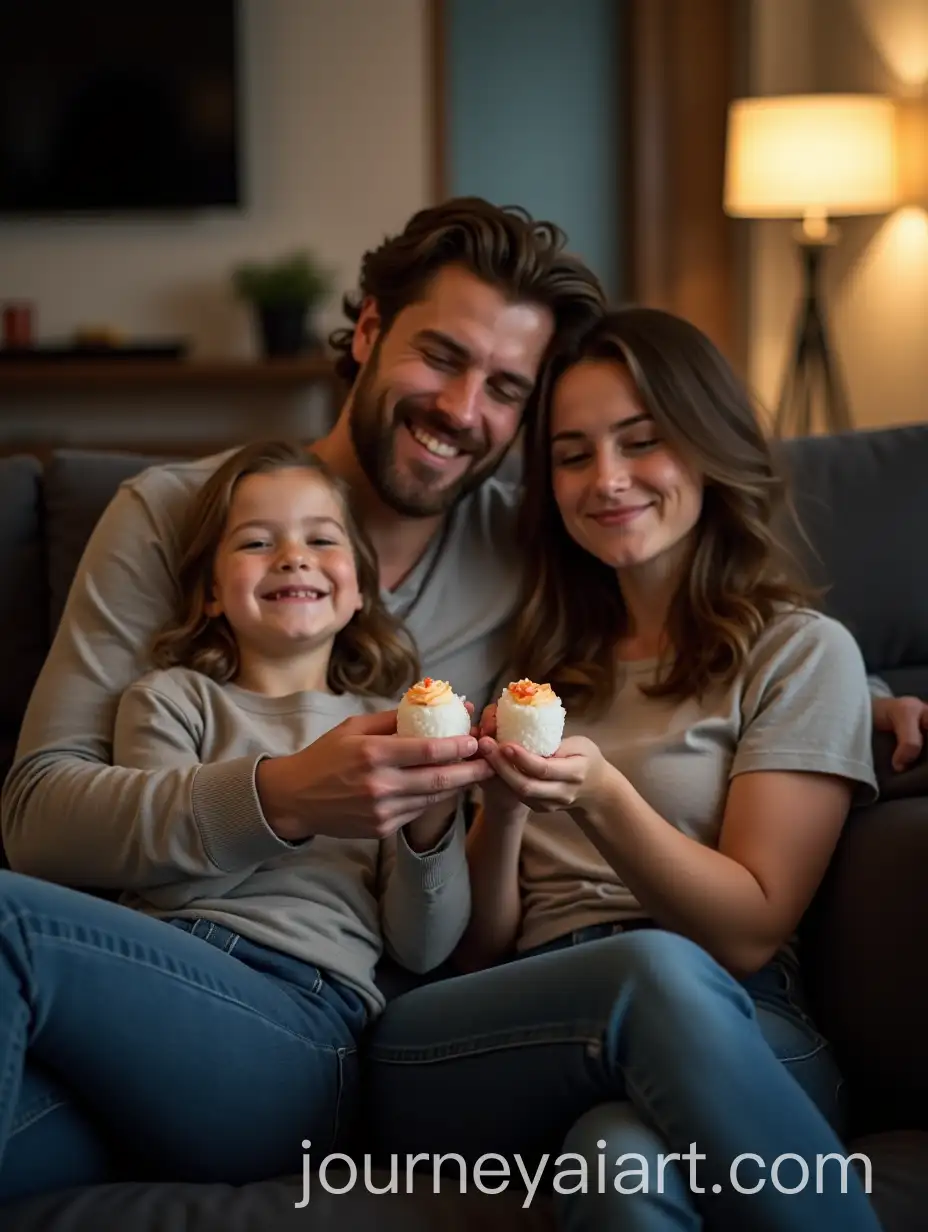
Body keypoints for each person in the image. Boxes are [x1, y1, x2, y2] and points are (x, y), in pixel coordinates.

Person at [363, 307, 883, 1231]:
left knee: (620, 1163)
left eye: (642, 443)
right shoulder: (532, 665)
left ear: (710, 447)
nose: (606, 480)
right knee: (599, 1001)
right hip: (520, 1017)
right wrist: (510, 809)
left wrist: (601, 793)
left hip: (734, 1019)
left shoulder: (801, 655)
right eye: (571, 454)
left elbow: (751, 930)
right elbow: (479, 949)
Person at [0, 439, 482, 1202]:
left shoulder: (391, 728)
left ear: (359, 589)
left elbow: (422, 946)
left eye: (322, 539)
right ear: (212, 593)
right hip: (156, 1010)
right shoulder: (169, 700)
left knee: (8, 917)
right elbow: (169, 889)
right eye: (257, 541)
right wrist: (285, 799)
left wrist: (432, 821)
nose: (293, 556)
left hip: (300, 1032)